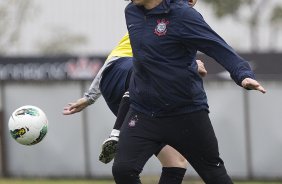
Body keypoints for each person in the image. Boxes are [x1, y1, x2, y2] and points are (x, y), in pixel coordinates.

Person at [111, 0, 266, 183]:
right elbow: (153, 55)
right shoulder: (131, 12)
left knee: (214, 175)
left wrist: (243, 74)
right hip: (144, 111)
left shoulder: (183, 15)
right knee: (123, 170)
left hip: (186, 113)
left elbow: (216, 46)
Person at [63, 1, 207, 183]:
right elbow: (138, 60)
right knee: (146, 72)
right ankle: (116, 133)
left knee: (176, 161)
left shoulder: (176, 22)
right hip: (126, 72)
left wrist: (89, 97)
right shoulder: (150, 19)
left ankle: (119, 133)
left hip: (126, 88)